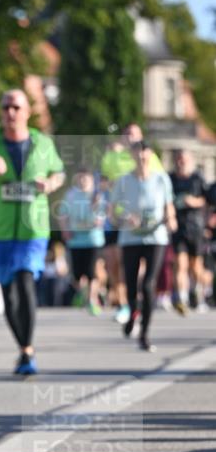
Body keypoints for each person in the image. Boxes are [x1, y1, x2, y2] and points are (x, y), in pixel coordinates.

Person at [0, 89, 64, 375]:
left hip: (33, 228)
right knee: (9, 295)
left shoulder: (43, 143)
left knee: (25, 281)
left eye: (16, 107)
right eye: (5, 107)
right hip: (0, 229)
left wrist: (50, 183)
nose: (10, 112)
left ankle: (27, 350)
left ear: (27, 112)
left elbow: (59, 172)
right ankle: (23, 348)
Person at [110, 140, 177, 352]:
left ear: (151, 154)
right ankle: (132, 313)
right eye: (137, 152)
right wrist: (124, 218)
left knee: (148, 285)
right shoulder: (123, 181)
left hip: (156, 237)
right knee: (131, 284)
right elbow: (112, 213)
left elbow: (168, 206)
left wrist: (171, 220)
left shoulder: (161, 179)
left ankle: (144, 333)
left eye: (144, 151)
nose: (141, 156)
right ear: (131, 155)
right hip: (130, 238)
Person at [100, 123, 164, 325]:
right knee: (112, 263)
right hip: (117, 217)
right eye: (127, 134)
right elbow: (102, 183)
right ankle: (124, 305)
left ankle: (135, 297)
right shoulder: (111, 156)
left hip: (140, 223)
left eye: (134, 134)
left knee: (130, 265)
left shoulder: (149, 156)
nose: (130, 137)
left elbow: (159, 185)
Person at [58, 167, 106, 315]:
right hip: (75, 241)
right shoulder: (70, 195)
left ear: (91, 179)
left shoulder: (97, 195)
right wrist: (65, 230)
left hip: (93, 240)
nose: (83, 181)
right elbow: (62, 214)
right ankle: (83, 293)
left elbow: (101, 218)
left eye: (86, 178)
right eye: (80, 177)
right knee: (77, 274)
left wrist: (95, 207)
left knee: (92, 272)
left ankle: (92, 300)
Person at [169, 149, 208, 315]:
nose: (181, 162)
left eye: (184, 159)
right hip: (178, 227)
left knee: (196, 267)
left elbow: (207, 199)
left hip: (196, 227)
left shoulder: (198, 178)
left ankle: (198, 293)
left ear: (191, 161)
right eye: (179, 159)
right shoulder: (170, 179)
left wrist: (194, 201)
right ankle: (182, 299)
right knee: (180, 264)